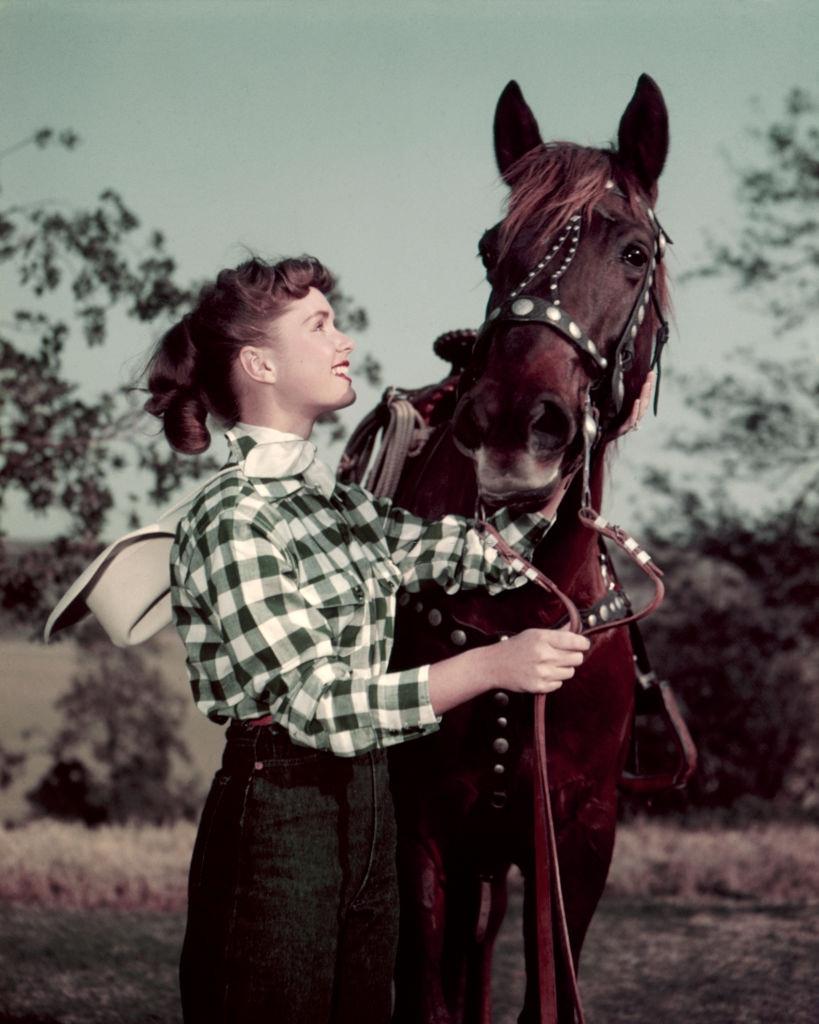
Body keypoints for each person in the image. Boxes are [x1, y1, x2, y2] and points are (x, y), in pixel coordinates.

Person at [144, 255, 590, 1024]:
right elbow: (316, 703)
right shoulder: (233, 519)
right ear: (259, 363)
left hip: (369, 800)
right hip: (280, 810)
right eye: (319, 325)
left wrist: (577, 428)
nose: (344, 339)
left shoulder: (342, 510)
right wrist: (492, 665)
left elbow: (481, 550)